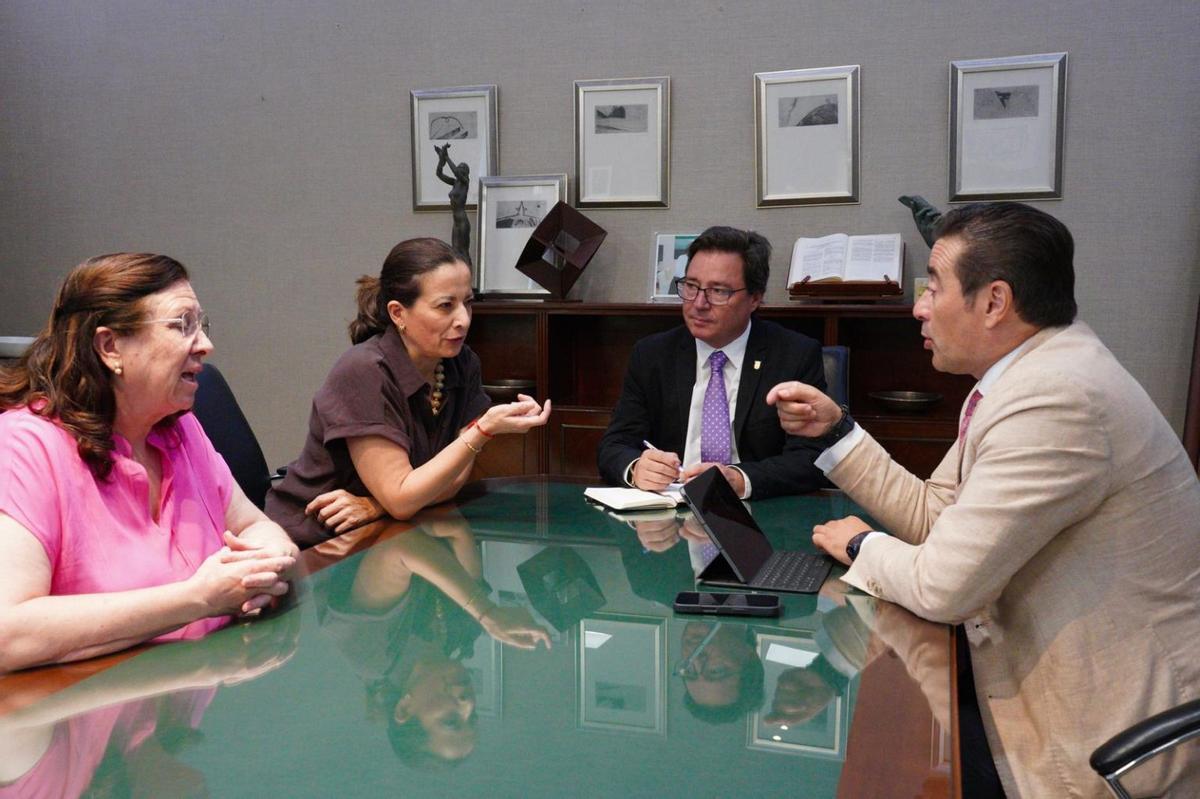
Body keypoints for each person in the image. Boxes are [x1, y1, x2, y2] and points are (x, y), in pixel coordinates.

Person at [767, 202, 1200, 798]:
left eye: (933, 286)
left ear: (994, 302)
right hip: (1033, 673)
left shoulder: (1056, 398)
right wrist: (836, 430)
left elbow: (944, 589)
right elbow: (935, 516)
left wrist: (863, 544)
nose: (919, 307)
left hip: (1102, 731)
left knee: (876, 762)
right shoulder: (1027, 375)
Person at [0, 253, 299, 673]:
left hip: (197, 688)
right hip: (87, 704)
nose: (205, 345)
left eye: (201, 325)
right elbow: (8, 634)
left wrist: (266, 564)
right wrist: (200, 599)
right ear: (110, 347)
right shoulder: (25, 445)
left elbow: (255, 526)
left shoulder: (180, 427)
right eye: (182, 325)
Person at [266, 237, 550, 548]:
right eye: (445, 306)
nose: (464, 320)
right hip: (315, 544)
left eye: (467, 302)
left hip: (389, 531)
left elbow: (451, 483)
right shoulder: (365, 370)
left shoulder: (462, 362)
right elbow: (402, 500)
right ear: (398, 313)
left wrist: (378, 505)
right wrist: (483, 430)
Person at [597, 225, 827, 500]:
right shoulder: (652, 354)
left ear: (754, 298)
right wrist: (636, 468)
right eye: (691, 286)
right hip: (668, 508)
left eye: (718, 291)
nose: (699, 303)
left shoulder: (794, 355)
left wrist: (740, 479)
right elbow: (615, 444)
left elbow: (811, 458)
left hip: (755, 510)